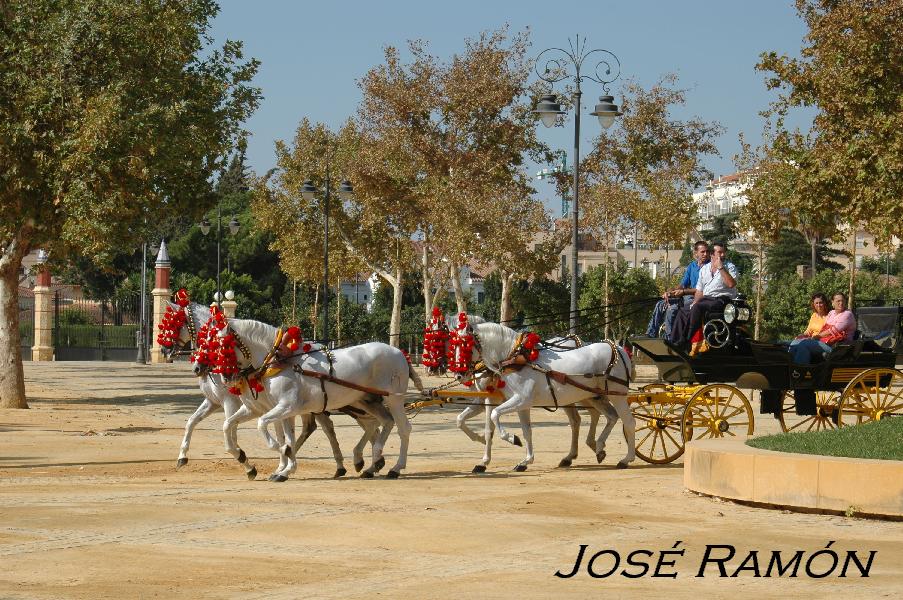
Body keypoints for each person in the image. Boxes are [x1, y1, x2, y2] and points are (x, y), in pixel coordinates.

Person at [669, 241, 738, 349]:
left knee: (698, 307)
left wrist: (721, 268)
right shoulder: (705, 269)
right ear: (712, 254)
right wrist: (694, 303)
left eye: (724, 252)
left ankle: (686, 340)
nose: (723, 255)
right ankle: (673, 342)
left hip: (722, 301)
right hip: (705, 300)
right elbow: (700, 291)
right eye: (719, 252)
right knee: (684, 310)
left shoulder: (729, 267)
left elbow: (731, 284)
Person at [645, 241, 710, 337]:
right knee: (660, 304)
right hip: (686, 296)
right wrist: (670, 292)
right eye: (703, 252)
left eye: (707, 251)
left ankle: (670, 338)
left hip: (698, 298)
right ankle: (650, 333)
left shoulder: (710, 267)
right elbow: (683, 284)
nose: (706, 254)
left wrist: (683, 292)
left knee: (672, 308)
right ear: (696, 253)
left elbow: (703, 290)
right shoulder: (692, 266)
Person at [789, 292, 856, 364]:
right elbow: (823, 328)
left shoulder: (847, 314)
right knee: (795, 343)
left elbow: (833, 331)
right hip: (826, 342)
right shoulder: (832, 313)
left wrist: (815, 337)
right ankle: (792, 366)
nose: (841, 303)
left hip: (838, 347)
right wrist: (804, 336)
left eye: (843, 300)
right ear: (832, 302)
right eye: (838, 301)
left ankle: (800, 370)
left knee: (803, 344)